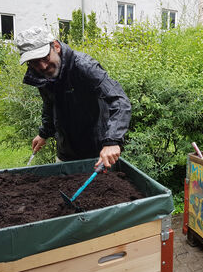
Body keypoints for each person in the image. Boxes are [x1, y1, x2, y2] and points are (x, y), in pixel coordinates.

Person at [15, 26, 132, 168]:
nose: (43, 66)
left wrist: (112, 141)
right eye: (34, 62)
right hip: (65, 152)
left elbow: (119, 100)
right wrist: (44, 133)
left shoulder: (84, 66)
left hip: (97, 154)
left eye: (45, 57)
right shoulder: (40, 75)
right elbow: (50, 104)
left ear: (56, 47)